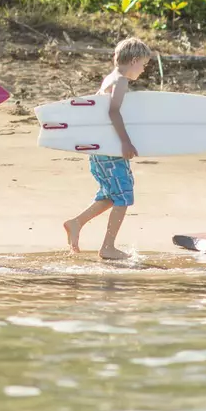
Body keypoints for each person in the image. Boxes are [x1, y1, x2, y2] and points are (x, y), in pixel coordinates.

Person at [63, 36, 153, 260]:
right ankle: (108, 247)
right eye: (143, 64)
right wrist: (125, 142)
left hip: (100, 149)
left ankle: (76, 223)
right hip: (110, 150)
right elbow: (113, 112)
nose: (142, 70)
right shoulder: (121, 81)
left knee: (111, 195)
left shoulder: (109, 79)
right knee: (123, 197)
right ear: (133, 60)